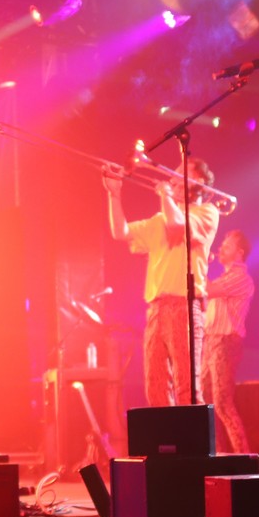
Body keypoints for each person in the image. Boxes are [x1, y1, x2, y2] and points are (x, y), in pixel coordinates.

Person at [102, 151, 220, 406]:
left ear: (199, 182)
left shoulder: (207, 212)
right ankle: (166, 433)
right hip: (156, 309)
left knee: (187, 387)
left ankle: (192, 434)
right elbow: (120, 232)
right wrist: (114, 193)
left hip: (184, 307)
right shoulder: (161, 219)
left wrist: (166, 196)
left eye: (180, 175)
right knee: (155, 385)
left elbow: (178, 225)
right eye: (173, 176)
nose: (173, 180)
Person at [200, 229, 255, 454]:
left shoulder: (240, 277)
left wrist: (199, 259)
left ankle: (244, 458)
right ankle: (218, 455)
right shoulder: (224, 277)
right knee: (205, 402)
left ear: (239, 253)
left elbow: (208, 290)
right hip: (211, 342)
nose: (222, 247)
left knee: (222, 403)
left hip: (225, 343)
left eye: (228, 245)